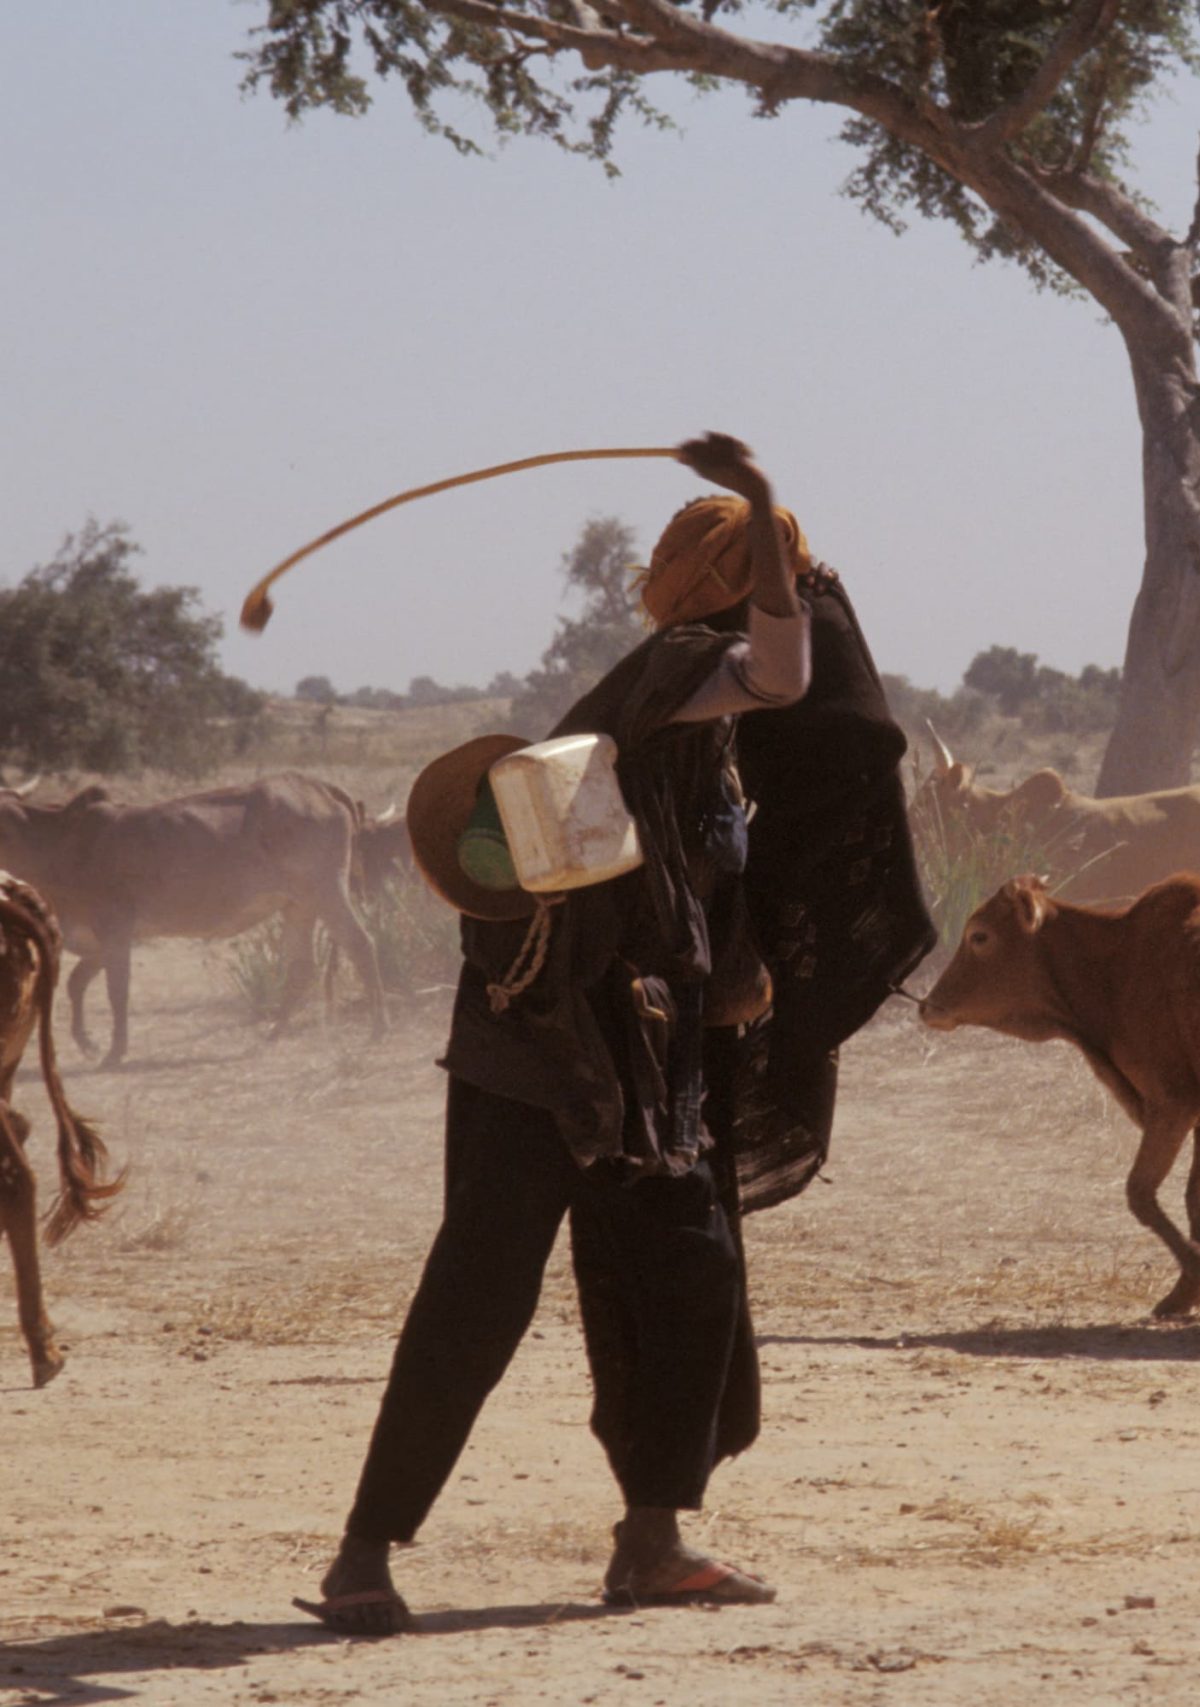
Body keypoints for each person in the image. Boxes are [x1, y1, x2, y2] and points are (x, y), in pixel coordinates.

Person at [301, 432, 820, 1636]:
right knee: (479, 1293)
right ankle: (362, 1557)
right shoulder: (682, 670)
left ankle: (653, 1542)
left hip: (641, 1058)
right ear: (735, 588)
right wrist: (763, 498)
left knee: (691, 1276)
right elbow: (787, 671)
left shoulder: (700, 729)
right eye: (783, 573)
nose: (804, 598)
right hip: (540, 1051)